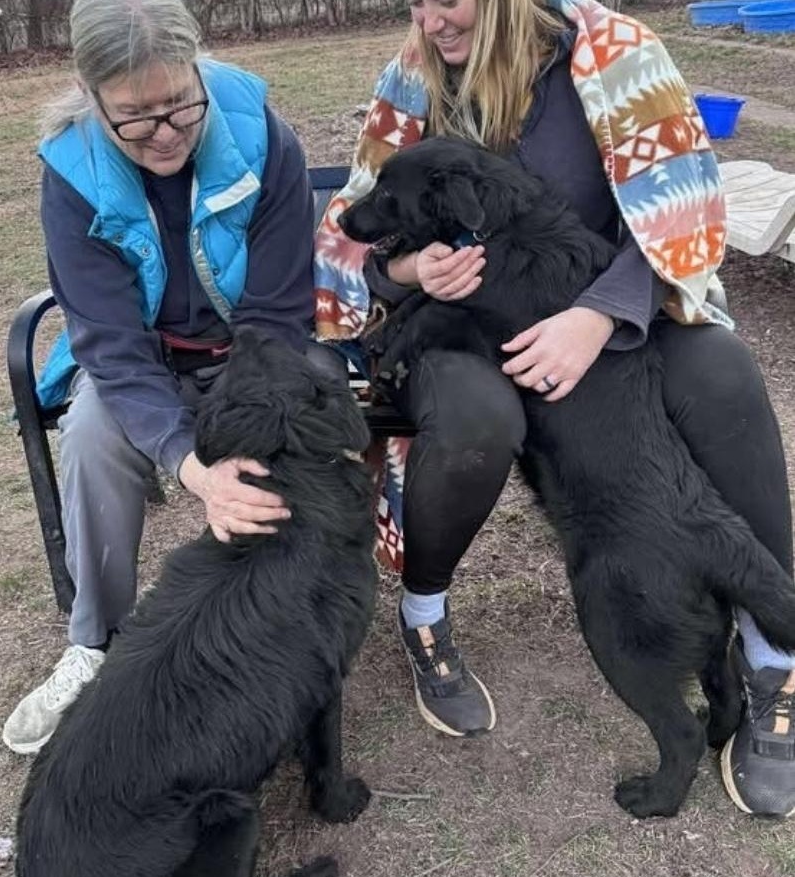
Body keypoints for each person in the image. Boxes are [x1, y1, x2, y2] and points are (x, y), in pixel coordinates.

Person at [315, 0, 795, 817]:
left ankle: (771, 655)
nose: (430, 19)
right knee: (477, 422)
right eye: (416, 1)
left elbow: (685, 218)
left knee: (720, 372)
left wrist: (597, 316)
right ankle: (424, 612)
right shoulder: (413, 77)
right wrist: (409, 277)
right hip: (470, 329)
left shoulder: (617, 56)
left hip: (616, 309)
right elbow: (350, 235)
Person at [3, 0, 333, 755]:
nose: (165, 132)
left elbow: (279, 312)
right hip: (148, 360)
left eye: (179, 103)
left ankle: (290, 608)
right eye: (134, 116)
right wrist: (194, 466)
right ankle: (93, 640)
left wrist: (245, 416)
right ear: (93, 99)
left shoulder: (262, 139)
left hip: (255, 348)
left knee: (309, 406)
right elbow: (112, 351)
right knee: (90, 431)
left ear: (198, 72)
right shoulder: (73, 172)